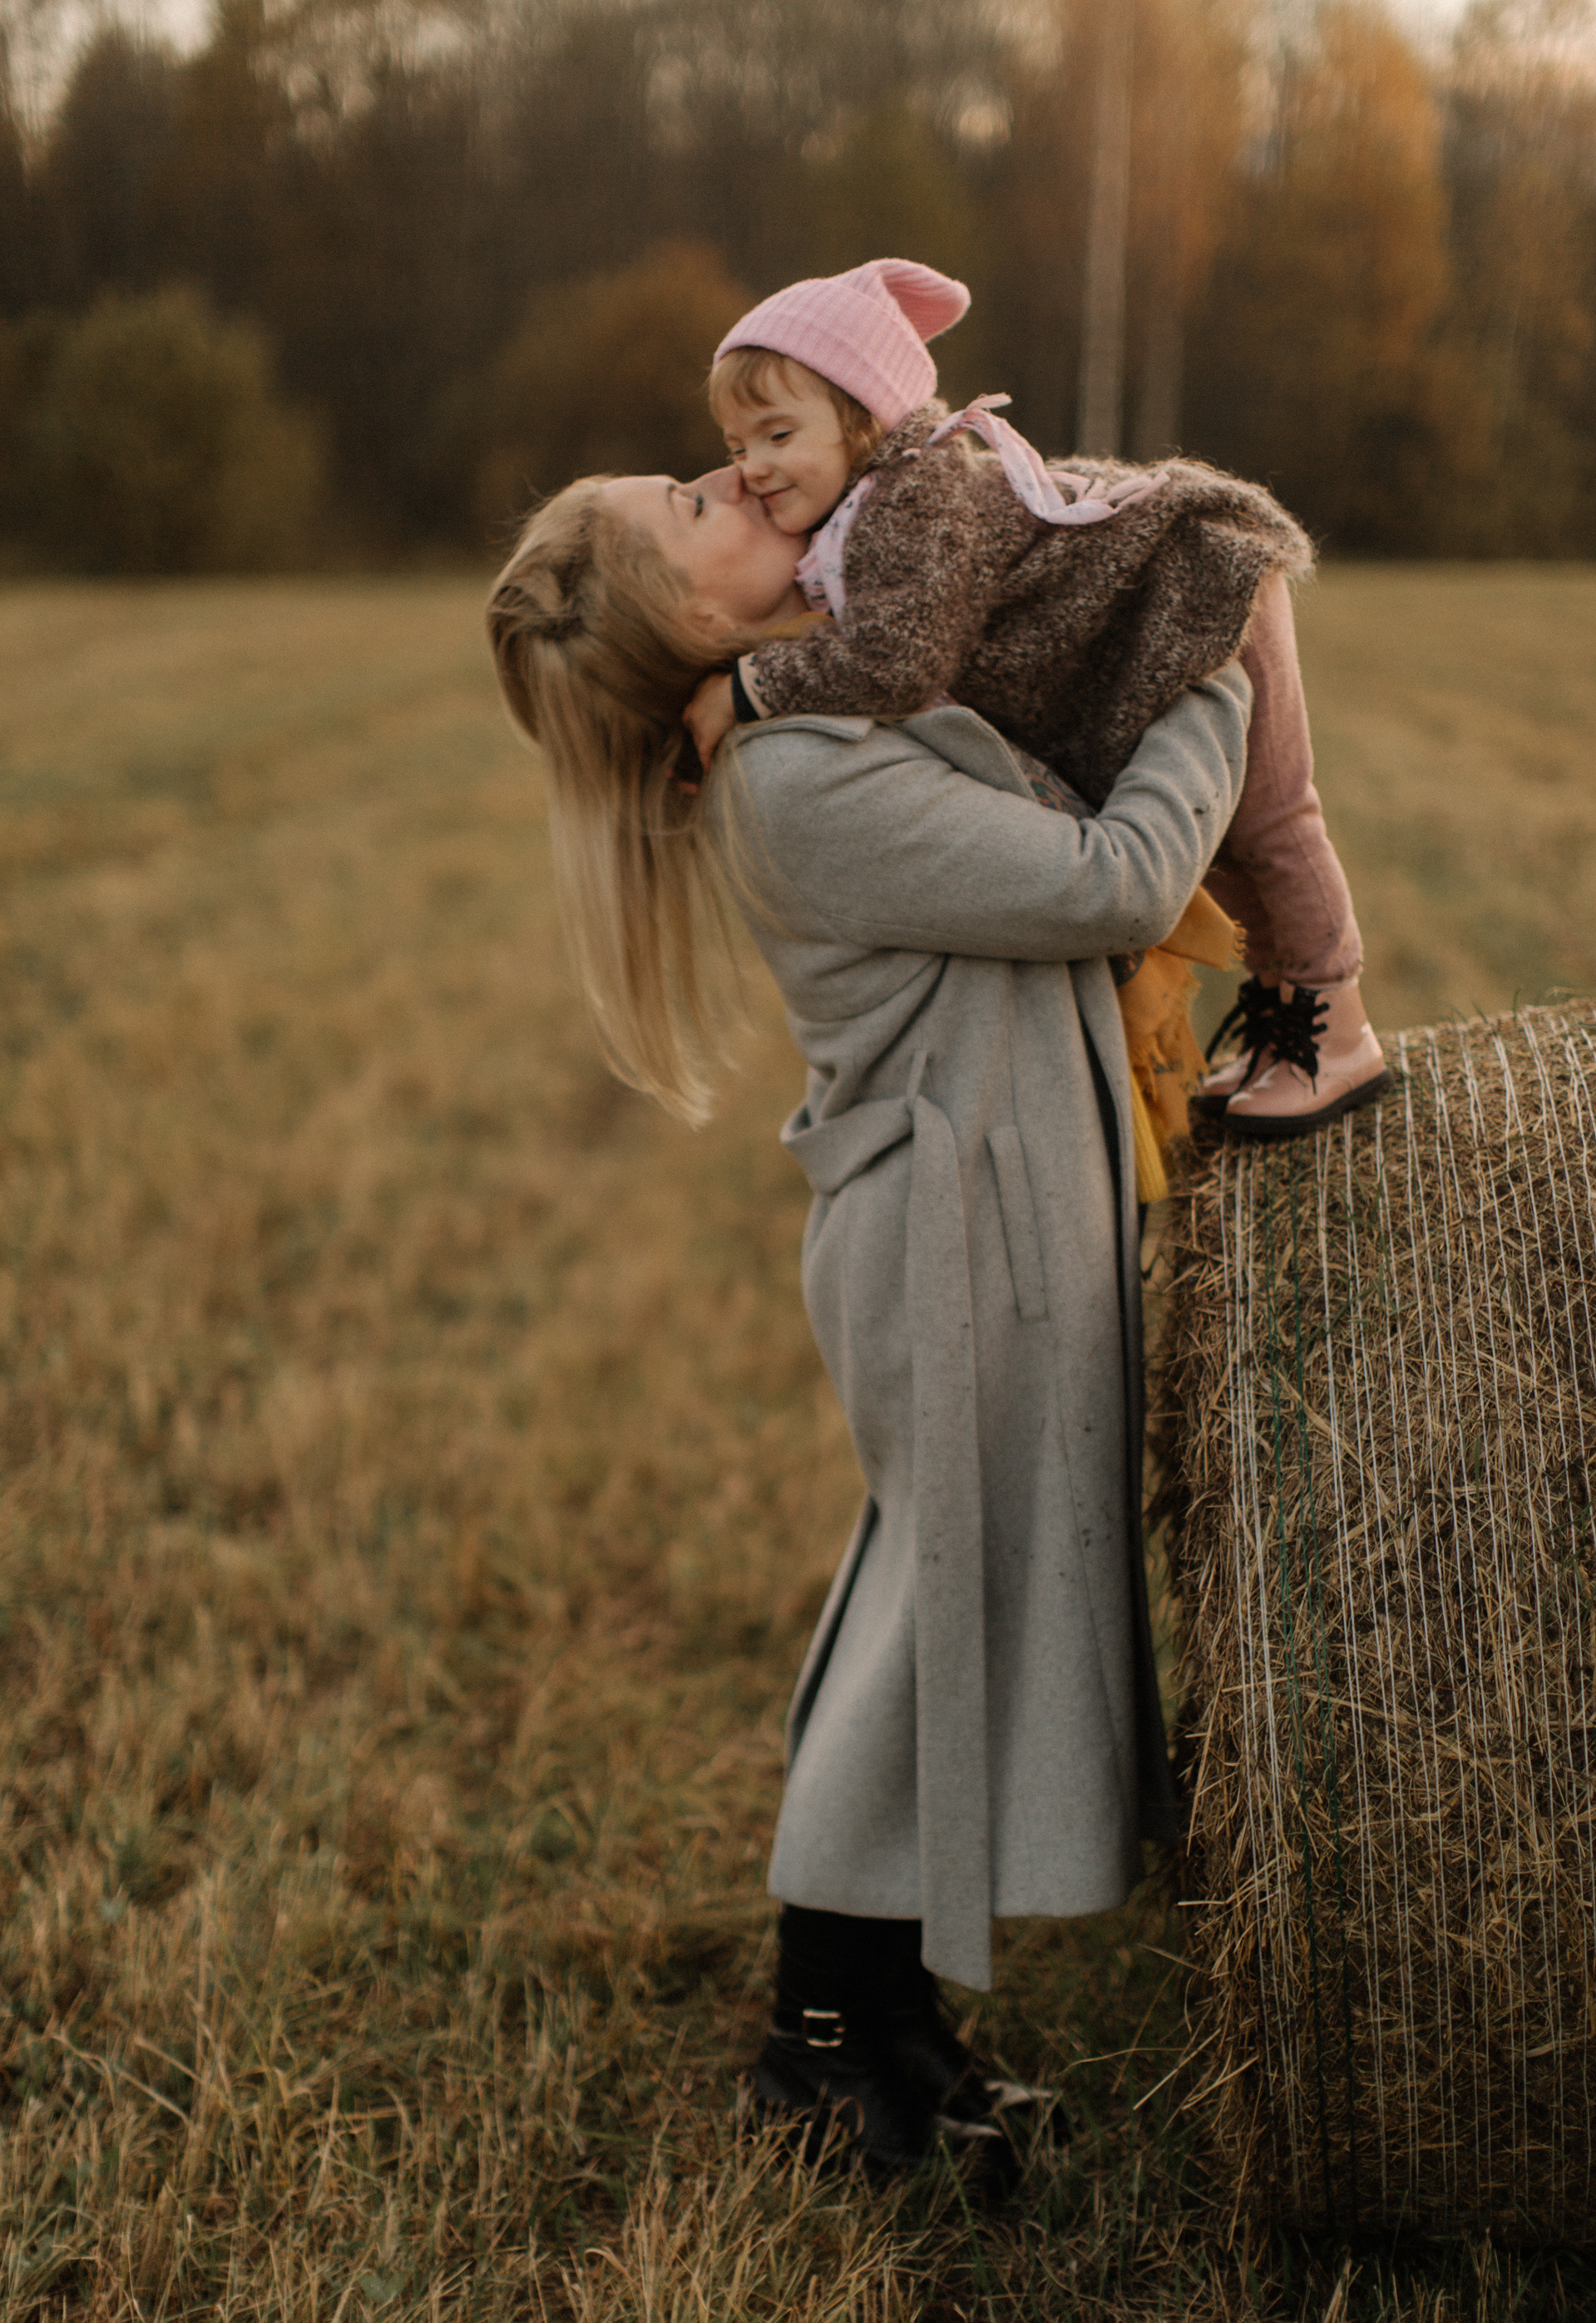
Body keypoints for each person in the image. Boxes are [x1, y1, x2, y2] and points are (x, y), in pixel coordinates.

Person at [486, 461, 1253, 2174]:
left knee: (946, 1604)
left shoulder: (823, 715)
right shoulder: (791, 780)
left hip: (981, 1216)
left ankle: (893, 2036)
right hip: (955, 1240)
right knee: (926, 1620)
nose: (744, 482)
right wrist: (1221, 678)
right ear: (685, 618)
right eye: (694, 503)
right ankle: (817, 2053)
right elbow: (1116, 878)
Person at [683, 257, 1391, 1141]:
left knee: (1272, 823)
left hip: (1201, 574)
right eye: (733, 445)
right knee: (1231, 851)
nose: (749, 467)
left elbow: (898, 658)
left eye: (776, 435)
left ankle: (1337, 1026)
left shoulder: (911, 494)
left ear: (863, 418)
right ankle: (1283, 1023)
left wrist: (751, 687)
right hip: (1155, 600)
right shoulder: (856, 514)